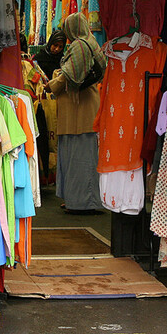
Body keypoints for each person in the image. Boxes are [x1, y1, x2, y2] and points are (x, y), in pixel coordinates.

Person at [47, 13, 107, 215]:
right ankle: (77, 199)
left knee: (80, 155)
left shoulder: (80, 46)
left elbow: (70, 75)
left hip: (80, 109)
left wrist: (52, 85)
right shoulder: (90, 42)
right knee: (80, 155)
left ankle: (84, 201)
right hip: (82, 106)